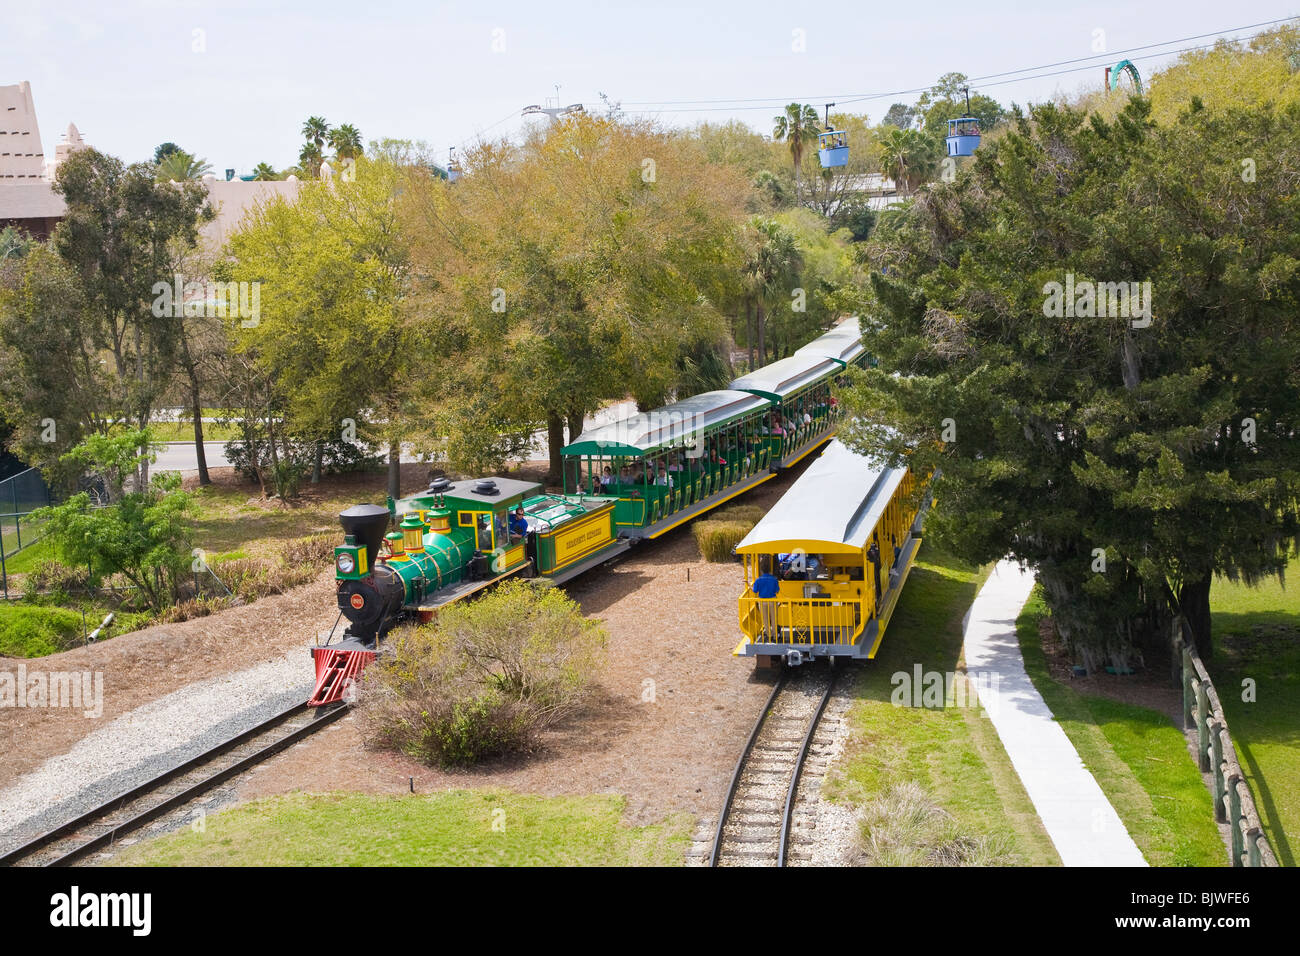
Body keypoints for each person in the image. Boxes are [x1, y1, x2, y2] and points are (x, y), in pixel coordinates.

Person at [752, 565, 781, 638]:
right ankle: (775, 635)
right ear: (770, 571)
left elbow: (755, 591)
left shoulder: (758, 580)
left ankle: (769, 634)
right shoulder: (774, 579)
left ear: (761, 571)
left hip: (762, 600)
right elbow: (777, 591)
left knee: (765, 618)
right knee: (774, 617)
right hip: (772, 599)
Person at [867, 537, 882, 604]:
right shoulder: (875, 551)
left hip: (875, 568)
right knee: (876, 581)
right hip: (874, 569)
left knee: (877, 581)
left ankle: (878, 595)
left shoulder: (872, 552)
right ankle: (877, 595)